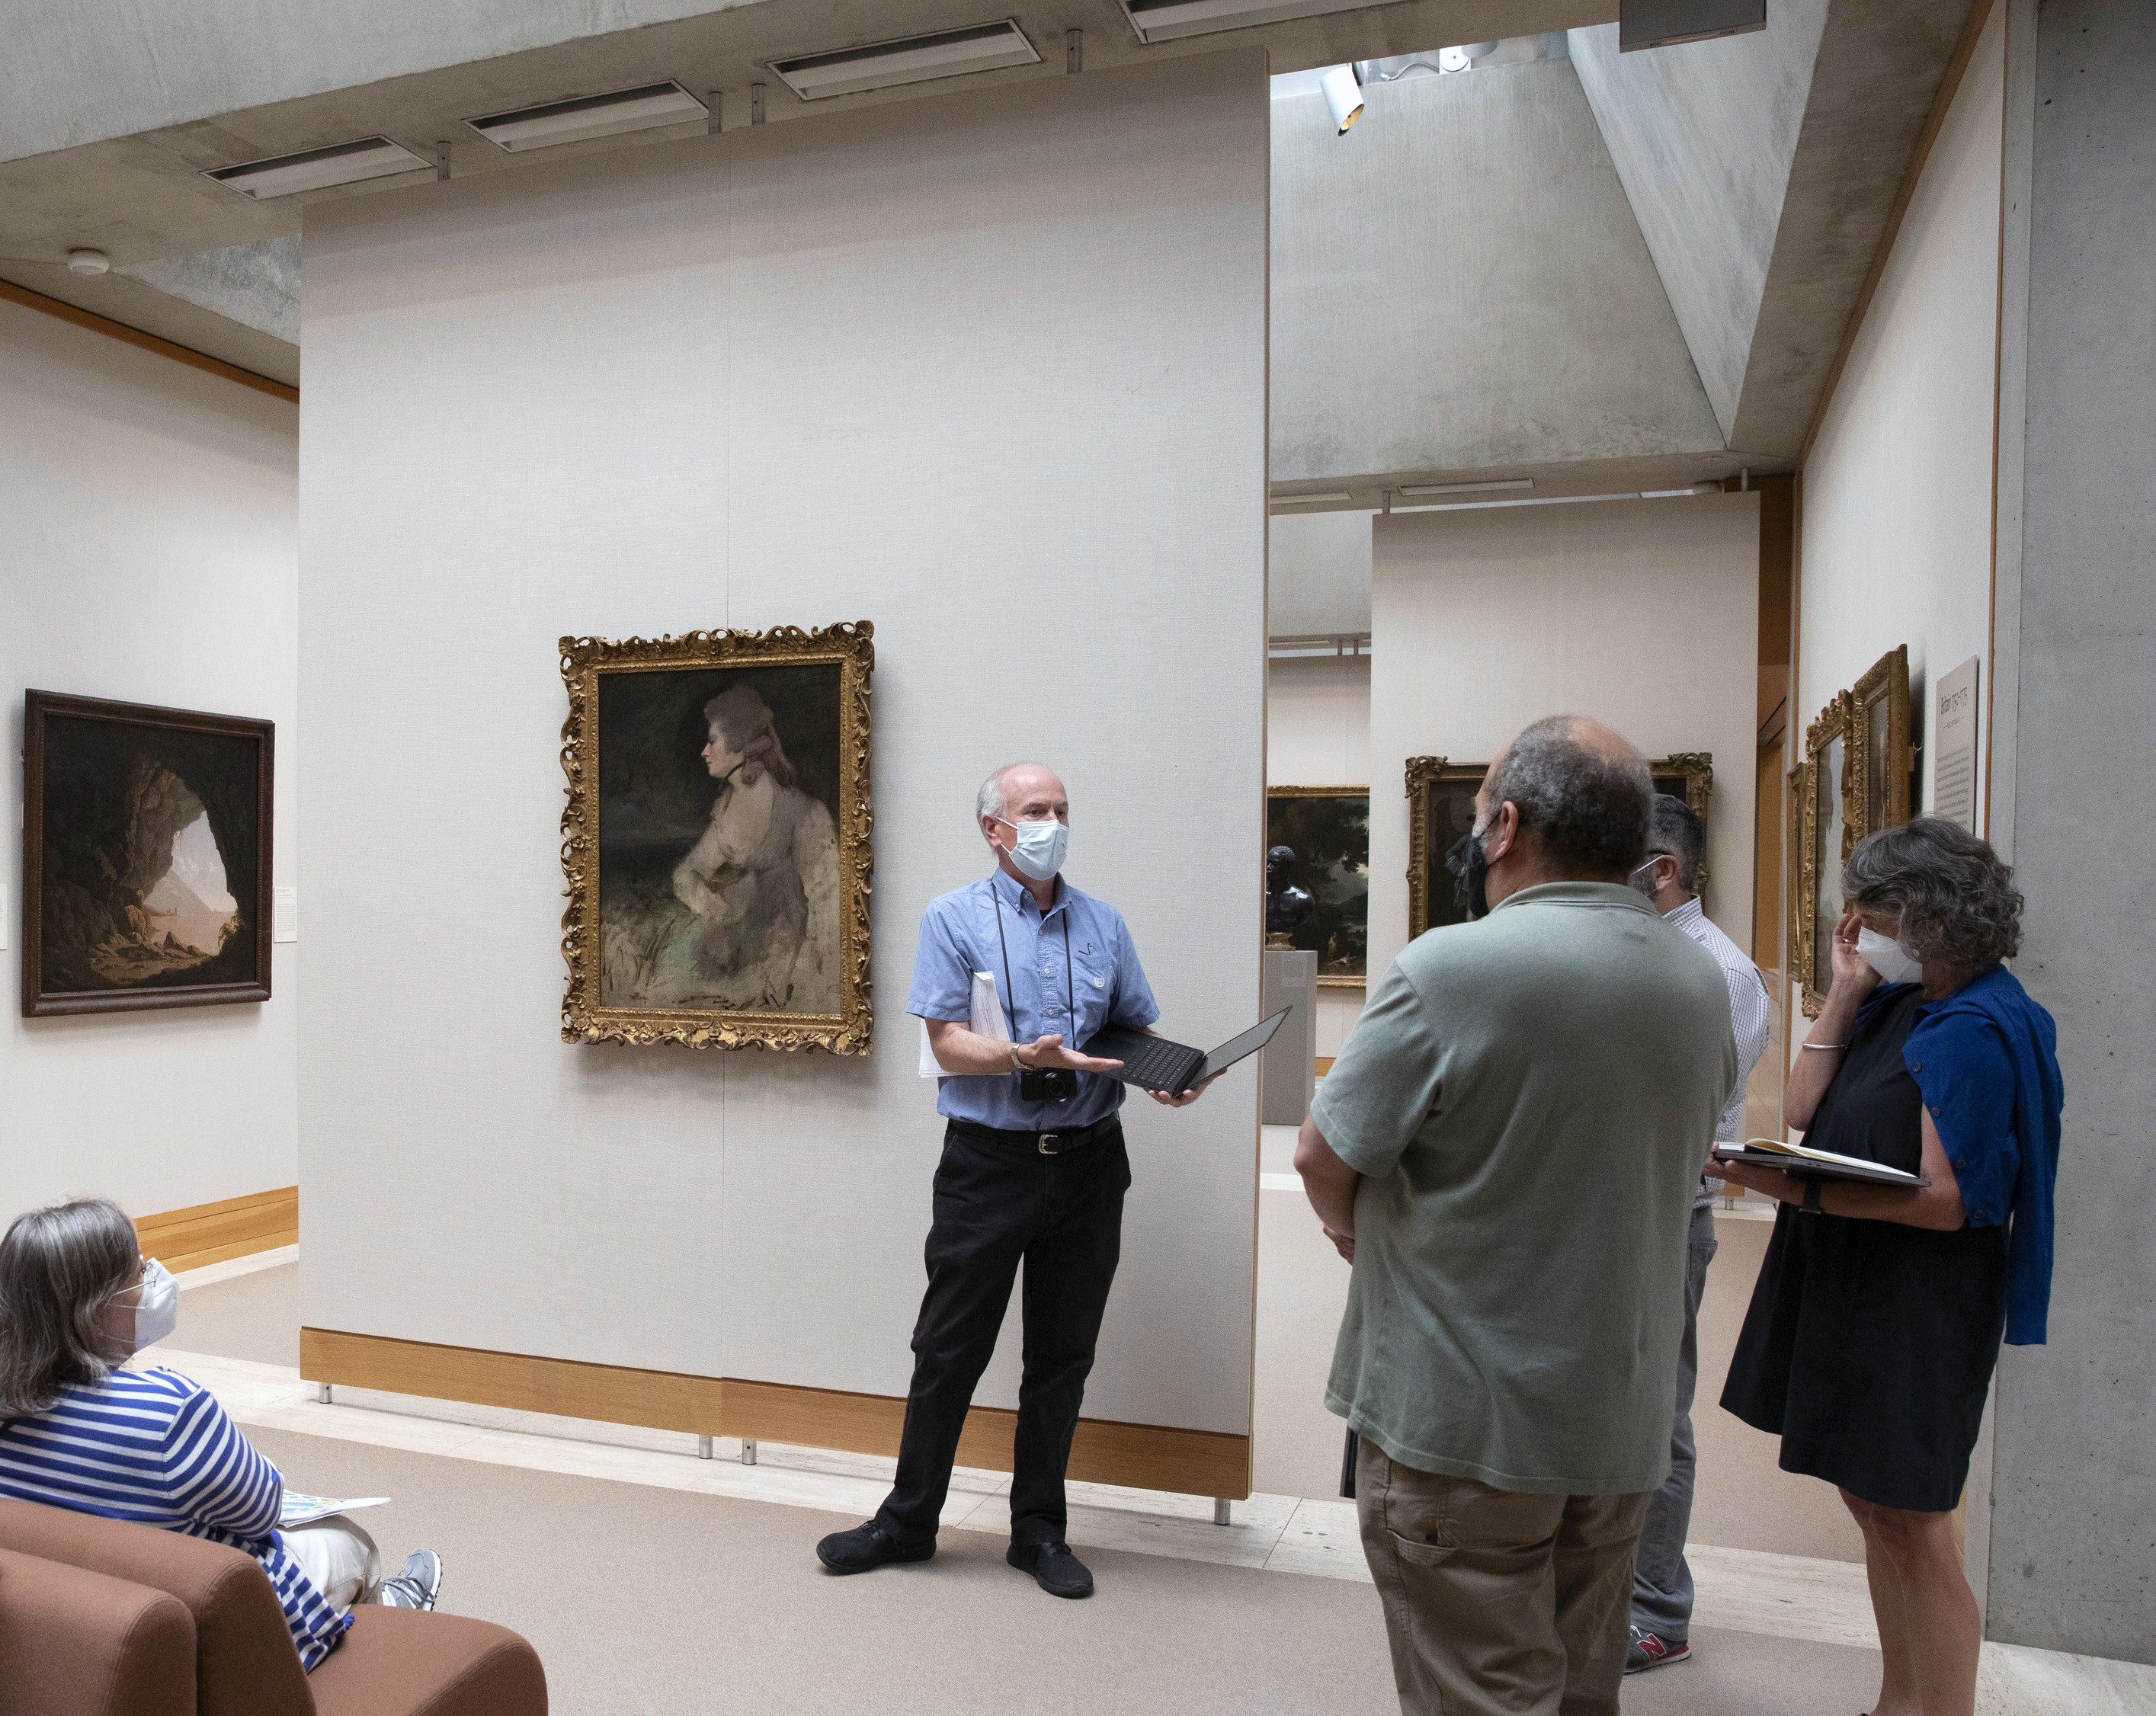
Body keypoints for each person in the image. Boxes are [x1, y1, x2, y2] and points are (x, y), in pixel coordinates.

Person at [1296, 716, 1737, 1716]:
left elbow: (1324, 1154)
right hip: (1617, 1427)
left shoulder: (1450, 969)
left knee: (1484, 1694)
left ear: (1504, 826)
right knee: (1580, 1690)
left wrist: (1353, 1229)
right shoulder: (1698, 980)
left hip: (1468, 1427)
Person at [815, 762, 1209, 1598]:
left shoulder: (1103, 922)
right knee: (948, 1348)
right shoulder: (952, 917)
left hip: (1090, 1163)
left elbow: (1131, 1026)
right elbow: (946, 1042)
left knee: (1061, 1357)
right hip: (988, 1166)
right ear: (996, 828)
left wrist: (1165, 1071)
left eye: (1062, 808)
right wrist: (1021, 1055)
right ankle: (907, 1520)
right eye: (1037, 809)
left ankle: (1038, 1531)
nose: (1053, 822)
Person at [1718, 819, 2063, 1716]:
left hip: (1920, 1301)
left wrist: (1803, 1196)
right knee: (1874, 1505)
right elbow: (1799, 1106)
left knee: (1916, 1520)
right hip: (1859, 1281)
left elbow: (1951, 1201)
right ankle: (1895, 1699)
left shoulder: (1975, 1026)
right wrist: (1843, 989)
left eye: (1867, 914)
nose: (1855, 929)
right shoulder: (1899, 1002)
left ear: (1926, 916)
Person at [0, 1198, 444, 1669]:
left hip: (73, 1618)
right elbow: (261, 1513)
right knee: (351, 1541)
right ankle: (389, 1622)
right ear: (93, 1311)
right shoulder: (169, 1408)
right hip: (208, 1623)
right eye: (139, 1275)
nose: (153, 1283)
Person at [1624, 792, 1772, 1674]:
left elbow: (1696, 1119)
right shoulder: (1636, 956)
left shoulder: (1720, 972)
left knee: (1659, 1415)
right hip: (1610, 1215)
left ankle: (1657, 1609)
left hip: (1669, 1214)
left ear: (1664, 868)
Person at [668, 684, 840, 1011]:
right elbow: (686, 873)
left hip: (791, 957)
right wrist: (708, 903)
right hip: (742, 957)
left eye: (713, 741)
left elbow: (827, 908)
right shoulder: (727, 812)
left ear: (740, 746)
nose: (704, 751)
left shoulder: (803, 813)